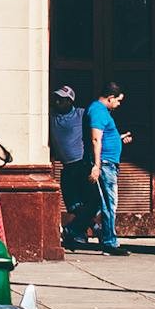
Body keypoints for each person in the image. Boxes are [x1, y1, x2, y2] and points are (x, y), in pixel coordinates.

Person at [86, 83, 129, 255]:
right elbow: (95, 139)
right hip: (105, 164)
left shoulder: (101, 111)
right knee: (110, 204)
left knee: (102, 203)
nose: (118, 105)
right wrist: (97, 165)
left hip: (106, 162)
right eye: (118, 101)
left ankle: (73, 232)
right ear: (110, 98)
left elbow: (104, 137)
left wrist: (119, 138)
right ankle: (110, 243)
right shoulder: (98, 111)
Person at [48, 86, 91, 249]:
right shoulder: (51, 115)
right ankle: (87, 229)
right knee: (73, 204)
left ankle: (76, 231)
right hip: (66, 166)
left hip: (81, 164)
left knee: (88, 202)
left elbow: (98, 130)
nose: (58, 102)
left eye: (62, 99)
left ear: (70, 101)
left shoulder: (81, 114)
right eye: (57, 99)